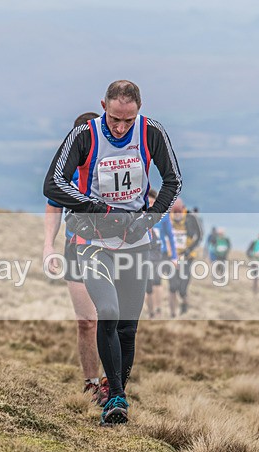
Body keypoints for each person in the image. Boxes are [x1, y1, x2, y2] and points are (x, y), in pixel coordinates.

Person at [44, 80, 182, 425]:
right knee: (104, 311)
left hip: (136, 243)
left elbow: (173, 180)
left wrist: (148, 220)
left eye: (128, 121)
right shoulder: (85, 135)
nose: (121, 127)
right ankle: (114, 398)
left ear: (139, 111)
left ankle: (116, 387)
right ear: (103, 105)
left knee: (128, 328)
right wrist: (97, 209)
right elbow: (53, 185)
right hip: (93, 242)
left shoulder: (151, 133)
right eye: (115, 119)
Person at [43, 111, 106, 404]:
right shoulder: (65, 170)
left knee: (112, 319)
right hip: (76, 245)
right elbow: (53, 205)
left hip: (113, 248)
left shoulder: (113, 165)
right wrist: (48, 245)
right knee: (86, 321)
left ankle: (114, 382)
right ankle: (92, 384)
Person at [144, 188, 177, 319]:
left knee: (157, 281)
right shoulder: (141, 215)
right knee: (147, 286)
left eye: (153, 202)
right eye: (148, 202)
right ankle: (151, 311)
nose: (150, 205)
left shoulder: (163, 216)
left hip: (159, 253)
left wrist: (174, 256)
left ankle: (158, 310)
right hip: (144, 252)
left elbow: (171, 236)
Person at [168, 198, 202, 317]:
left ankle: (185, 304)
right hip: (171, 256)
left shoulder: (191, 218)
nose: (177, 213)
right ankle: (173, 313)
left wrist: (188, 250)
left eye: (179, 210)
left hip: (187, 257)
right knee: (172, 287)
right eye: (174, 210)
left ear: (183, 208)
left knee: (182, 287)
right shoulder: (166, 216)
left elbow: (199, 235)